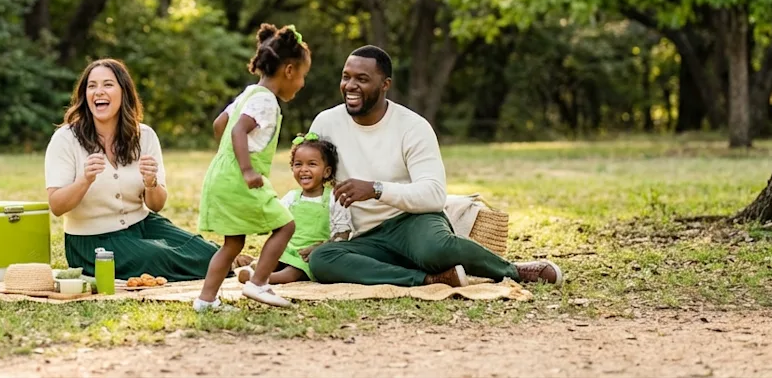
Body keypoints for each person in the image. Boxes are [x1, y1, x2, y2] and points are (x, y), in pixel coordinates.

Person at [306, 46, 564, 289]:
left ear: (385, 85)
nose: (350, 86)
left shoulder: (413, 127)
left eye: (362, 79)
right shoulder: (326, 123)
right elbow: (310, 183)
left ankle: (513, 271)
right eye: (346, 77)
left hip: (413, 222)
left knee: (435, 249)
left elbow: (434, 194)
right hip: (366, 238)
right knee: (322, 260)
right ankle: (428, 280)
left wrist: (376, 189)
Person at [46, 59, 234, 282]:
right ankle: (229, 264)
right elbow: (56, 206)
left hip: (143, 225)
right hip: (93, 241)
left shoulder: (144, 135)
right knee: (158, 257)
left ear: (124, 92)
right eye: (91, 86)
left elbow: (157, 204)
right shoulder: (66, 139)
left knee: (208, 254)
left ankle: (227, 261)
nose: (98, 92)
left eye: (107, 84)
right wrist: (84, 180)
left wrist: (151, 182)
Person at [196, 24, 310, 311]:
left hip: (222, 174)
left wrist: (229, 158)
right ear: (288, 70)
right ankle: (259, 284)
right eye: (302, 75)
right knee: (286, 225)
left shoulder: (249, 93)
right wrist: (246, 169)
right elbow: (237, 132)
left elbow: (220, 124)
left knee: (232, 243)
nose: (302, 84)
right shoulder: (266, 101)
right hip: (241, 178)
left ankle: (206, 301)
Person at [236, 133, 352, 285]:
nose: (303, 169)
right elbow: (276, 219)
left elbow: (343, 233)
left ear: (327, 172)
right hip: (287, 249)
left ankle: (265, 279)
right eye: (298, 164)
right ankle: (258, 269)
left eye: (311, 164)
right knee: (274, 259)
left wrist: (323, 247)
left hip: (310, 254)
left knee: (293, 272)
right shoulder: (291, 197)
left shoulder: (333, 198)